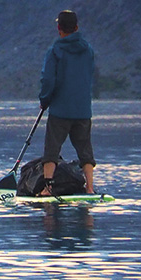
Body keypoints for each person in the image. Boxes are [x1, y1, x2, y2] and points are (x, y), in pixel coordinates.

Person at [37, 10, 97, 195]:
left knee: (52, 150)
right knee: (85, 150)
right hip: (83, 110)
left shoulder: (55, 50)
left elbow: (48, 80)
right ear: (76, 27)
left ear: (59, 28)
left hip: (60, 110)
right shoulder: (88, 50)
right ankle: (90, 188)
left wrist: (44, 100)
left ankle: (48, 188)